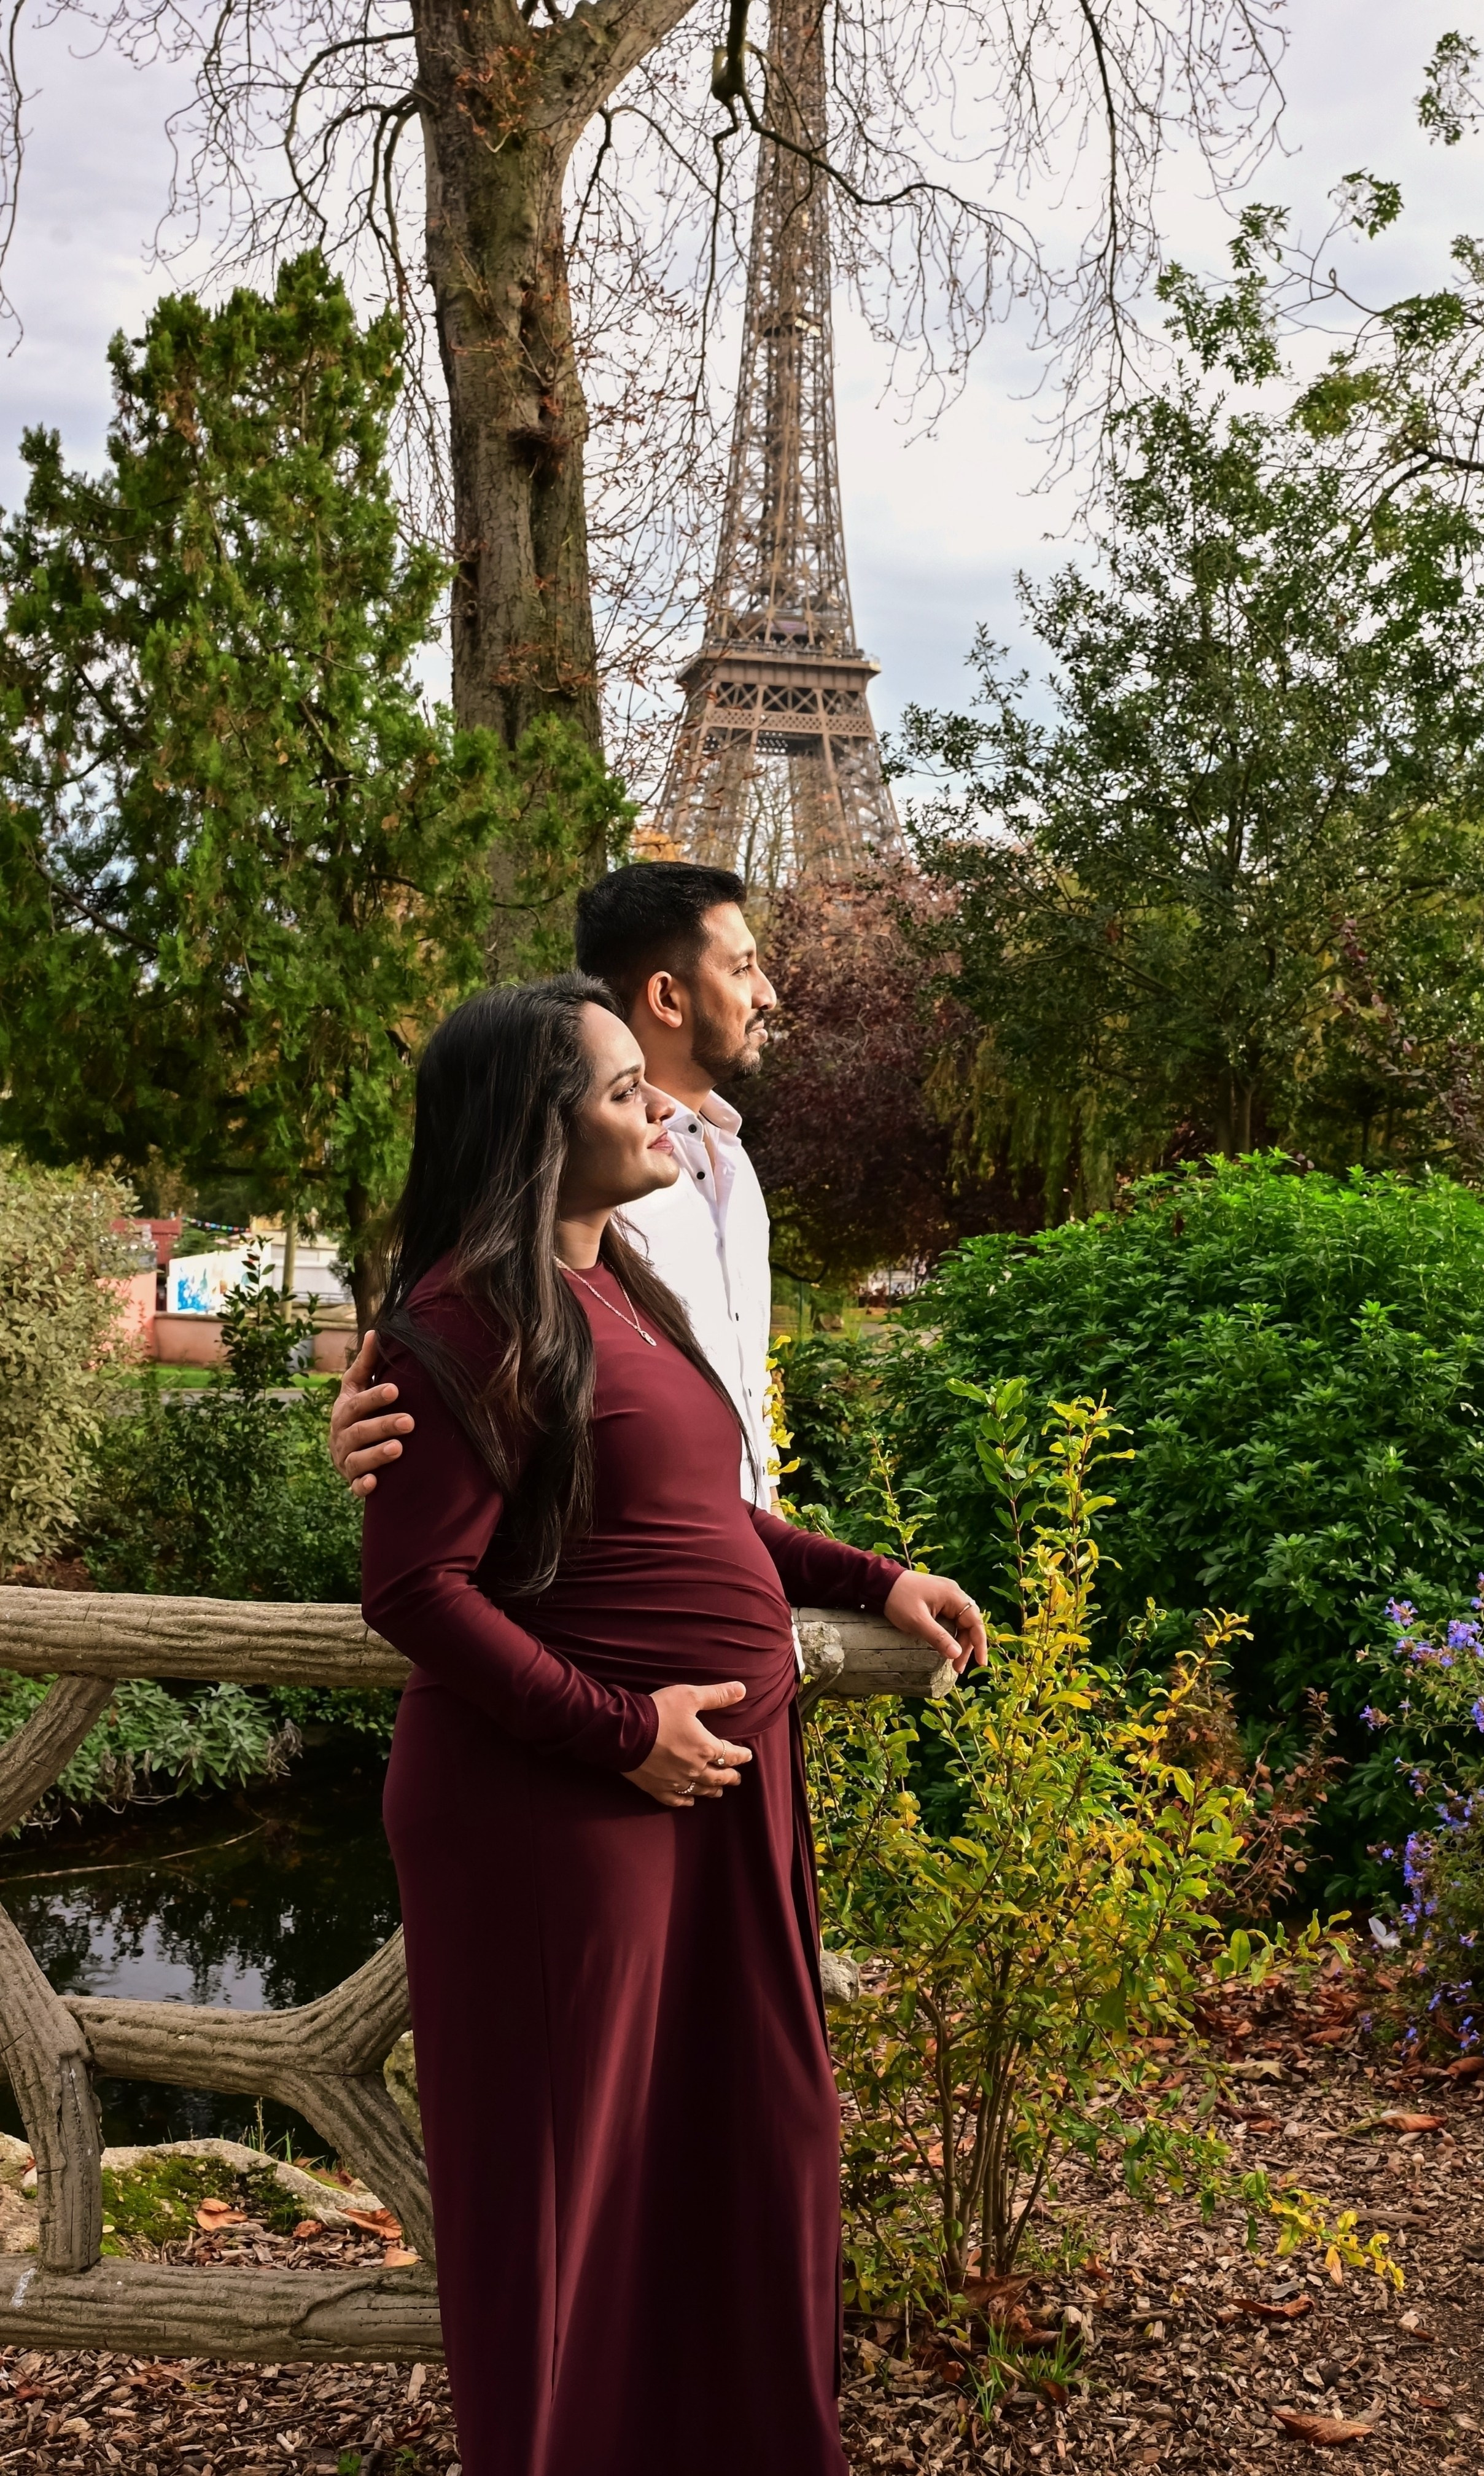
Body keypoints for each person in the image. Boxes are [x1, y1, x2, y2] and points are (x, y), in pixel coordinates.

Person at [362, 975, 985, 2476]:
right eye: (626, 1086)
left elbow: (714, 1519)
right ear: (534, 1122)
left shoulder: (622, 1284)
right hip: (563, 1826)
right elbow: (415, 1590)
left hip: (712, 1808)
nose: (662, 1107)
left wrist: (874, 1579)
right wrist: (612, 1727)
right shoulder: (458, 1320)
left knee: (751, 2151)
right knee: (571, 2202)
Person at [330, 861, 779, 1500]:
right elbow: (458, 1343)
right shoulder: (584, 1186)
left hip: (740, 1563)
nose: (766, 993)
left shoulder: (729, 1163)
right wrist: (389, 1422)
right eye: (741, 968)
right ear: (667, 997)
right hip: (614, 1580)